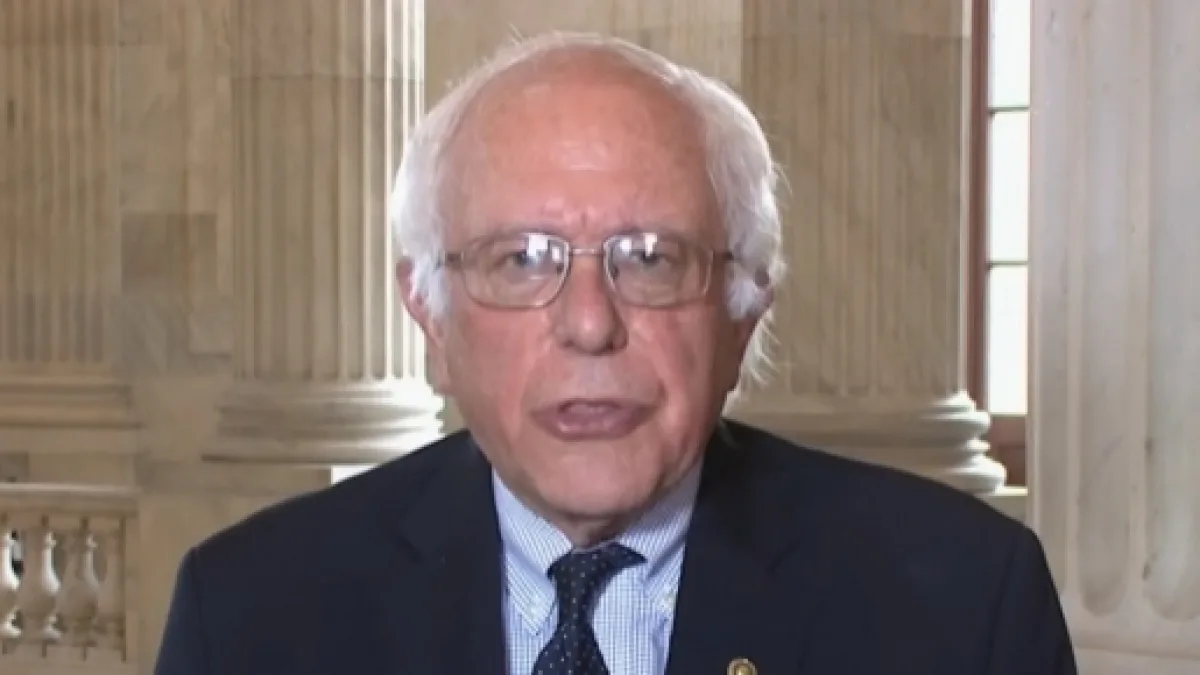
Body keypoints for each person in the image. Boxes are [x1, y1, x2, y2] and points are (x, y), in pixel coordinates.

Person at [155, 32, 1076, 675]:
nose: (590, 323)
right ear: (428, 312)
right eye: (522, 260)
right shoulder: (247, 615)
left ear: (744, 307)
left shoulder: (965, 610)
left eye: (651, 258)